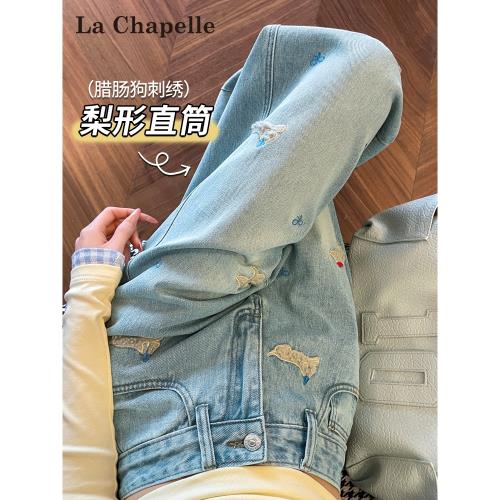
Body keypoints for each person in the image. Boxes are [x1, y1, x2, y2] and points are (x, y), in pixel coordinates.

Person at [63, 24, 403, 499]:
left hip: (162, 364)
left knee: (360, 66)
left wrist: (90, 280)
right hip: (306, 407)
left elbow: (76, 471)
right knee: (283, 117)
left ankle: (250, 102)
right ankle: (247, 104)